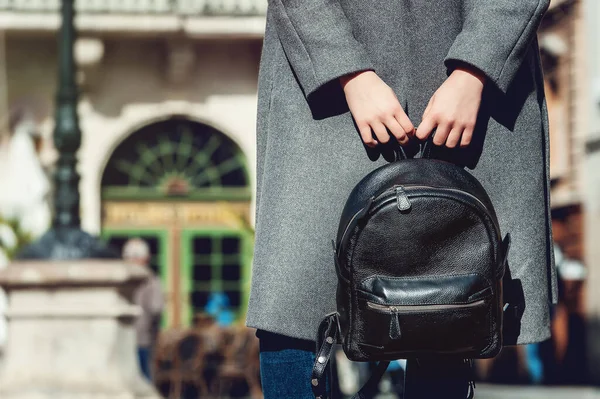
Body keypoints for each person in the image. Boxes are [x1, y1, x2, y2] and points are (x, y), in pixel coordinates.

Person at [246, 1, 556, 398]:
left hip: (474, 81)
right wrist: (348, 72)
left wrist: (475, 69)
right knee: (295, 305)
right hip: (323, 81)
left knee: (451, 301)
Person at [123, 238, 164, 381]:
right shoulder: (152, 280)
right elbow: (156, 309)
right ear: (146, 258)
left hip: (126, 338)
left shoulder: (121, 280)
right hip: (142, 339)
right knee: (143, 381)